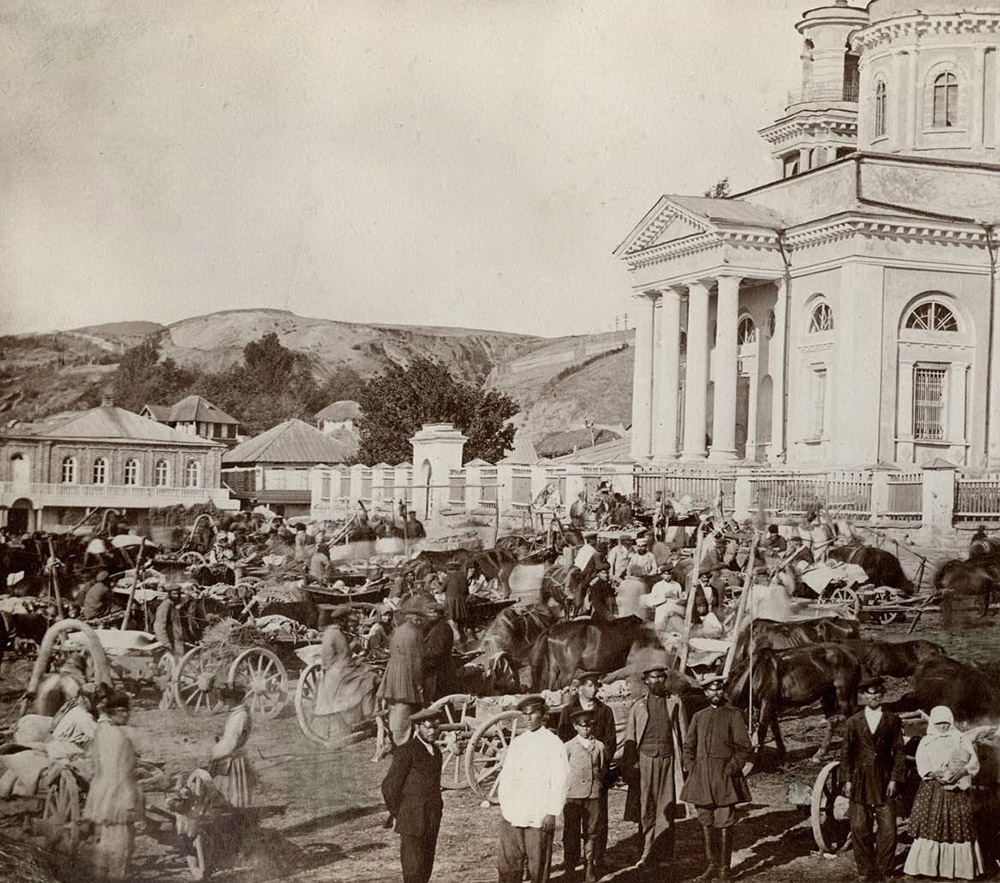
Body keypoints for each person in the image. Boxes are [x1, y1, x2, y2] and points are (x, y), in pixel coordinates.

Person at [681, 674, 753, 883]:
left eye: (719, 689)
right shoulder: (699, 716)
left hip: (724, 778)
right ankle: (711, 866)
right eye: (711, 690)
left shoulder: (733, 715)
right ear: (705, 693)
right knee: (706, 820)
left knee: (724, 821)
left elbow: (744, 747)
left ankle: (724, 870)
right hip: (701, 777)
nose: (715, 693)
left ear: (723, 691)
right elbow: (688, 745)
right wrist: (692, 767)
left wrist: (730, 769)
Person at [839, 676, 907, 883]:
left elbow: (899, 752)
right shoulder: (853, 722)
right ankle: (865, 870)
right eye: (870, 694)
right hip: (860, 781)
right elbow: (846, 753)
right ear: (863, 697)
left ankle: (885, 869)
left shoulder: (892, 719)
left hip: (885, 781)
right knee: (859, 827)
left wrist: (895, 779)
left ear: (882, 695)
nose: (874, 697)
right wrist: (847, 780)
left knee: (888, 828)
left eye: (878, 694)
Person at [904, 705, 983, 880]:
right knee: (930, 823)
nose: (943, 727)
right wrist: (932, 773)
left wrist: (961, 772)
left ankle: (960, 869)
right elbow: (921, 762)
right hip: (933, 788)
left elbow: (973, 761)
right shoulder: (926, 740)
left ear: (951, 722)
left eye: (946, 723)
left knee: (958, 825)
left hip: (957, 789)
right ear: (932, 722)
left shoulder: (960, 738)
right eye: (939, 723)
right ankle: (928, 867)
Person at [497, 694, 569, 883]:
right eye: (524, 714)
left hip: (539, 814)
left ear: (543, 715)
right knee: (509, 864)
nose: (528, 718)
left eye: (532, 713)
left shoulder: (554, 744)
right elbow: (506, 777)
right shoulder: (518, 743)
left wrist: (551, 812)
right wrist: (506, 808)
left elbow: (560, 780)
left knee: (538, 864)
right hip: (514, 813)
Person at [622, 656, 685, 868]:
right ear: (646, 681)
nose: (657, 682)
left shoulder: (674, 702)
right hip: (645, 760)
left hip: (668, 759)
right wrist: (631, 766)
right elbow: (630, 738)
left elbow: (683, 734)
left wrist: (685, 764)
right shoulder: (638, 707)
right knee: (646, 806)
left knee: (666, 806)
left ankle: (665, 853)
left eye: (660, 678)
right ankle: (646, 851)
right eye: (653, 678)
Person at [557, 672, 616, 875]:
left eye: (596, 686)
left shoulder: (605, 711)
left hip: (596, 776)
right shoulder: (568, 711)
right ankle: (571, 864)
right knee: (572, 827)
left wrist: (600, 771)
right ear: (580, 687)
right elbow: (563, 740)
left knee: (597, 823)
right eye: (589, 686)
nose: (593, 690)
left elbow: (610, 742)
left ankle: (596, 860)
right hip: (574, 779)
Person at [83, 688, 144, 881]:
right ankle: (117, 877)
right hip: (119, 793)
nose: (127, 715)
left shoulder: (100, 732)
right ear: (112, 712)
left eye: (128, 711)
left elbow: (93, 763)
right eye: (122, 711)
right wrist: (131, 799)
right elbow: (124, 771)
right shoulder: (121, 738)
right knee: (123, 843)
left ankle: (101, 874)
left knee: (107, 838)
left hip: (102, 791)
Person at [381, 706, 444, 883]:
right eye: (427, 727)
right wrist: (398, 814)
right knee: (413, 872)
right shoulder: (406, 751)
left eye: (435, 727)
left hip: (431, 819)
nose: (432, 731)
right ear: (417, 727)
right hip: (411, 820)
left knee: (425, 869)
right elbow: (389, 787)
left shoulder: (436, 752)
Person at [563, 709, 607, 883]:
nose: (586, 728)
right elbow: (564, 770)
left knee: (592, 832)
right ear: (575, 727)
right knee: (571, 832)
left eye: (590, 724)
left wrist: (595, 785)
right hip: (573, 796)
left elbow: (602, 769)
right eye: (582, 725)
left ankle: (590, 866)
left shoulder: (600, 746)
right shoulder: (568, 747)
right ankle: (570, 867)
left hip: (593, 795)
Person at [376, 598, 426, 745]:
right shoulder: (414, 634)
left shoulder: (399, 630)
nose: (421, 622)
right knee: (403, 706)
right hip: (405, 672)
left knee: (395, 705)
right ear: (414, 619)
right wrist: (419, 683)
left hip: (393, 669)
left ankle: (394, 736)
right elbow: (415, 661)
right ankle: (401, 740)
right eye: (419, 619)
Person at [208, 686, 256, 807]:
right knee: (231, 791)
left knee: (229, 790)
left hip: (231, 758)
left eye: (226, 699)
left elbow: (232, 742)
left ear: (232, 699)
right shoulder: (238, 714)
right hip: (232, 754)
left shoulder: (240, 717)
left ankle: (233, 812)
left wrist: (215, 752)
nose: (224, 702)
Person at [422, 602, 454, 702]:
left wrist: (420, 653)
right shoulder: (431, 627)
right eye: (428, 613)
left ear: (440, 614)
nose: (430, 615)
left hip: (439, 671)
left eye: (433, 613)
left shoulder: (444, 628)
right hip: (433, 669)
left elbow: (438, 651)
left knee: (439, 699)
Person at [154, 585, 186, 658]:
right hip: (168, 643)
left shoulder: (173, 606)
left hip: (175, 642)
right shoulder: (166, 605)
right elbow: (159, 625)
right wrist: (165, 642)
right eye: (174, 594)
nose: (177, 596)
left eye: (178, 594)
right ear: (169, 595)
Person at [443, 559, 471, 641]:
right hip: (461, 602)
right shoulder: (463, 577)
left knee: (451, 620)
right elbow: (467, 592)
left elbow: (441, 589)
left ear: (450, 569)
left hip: (450, 602)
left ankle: (454, 637)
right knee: (460, 620)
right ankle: (462, 636)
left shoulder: (448, 577)